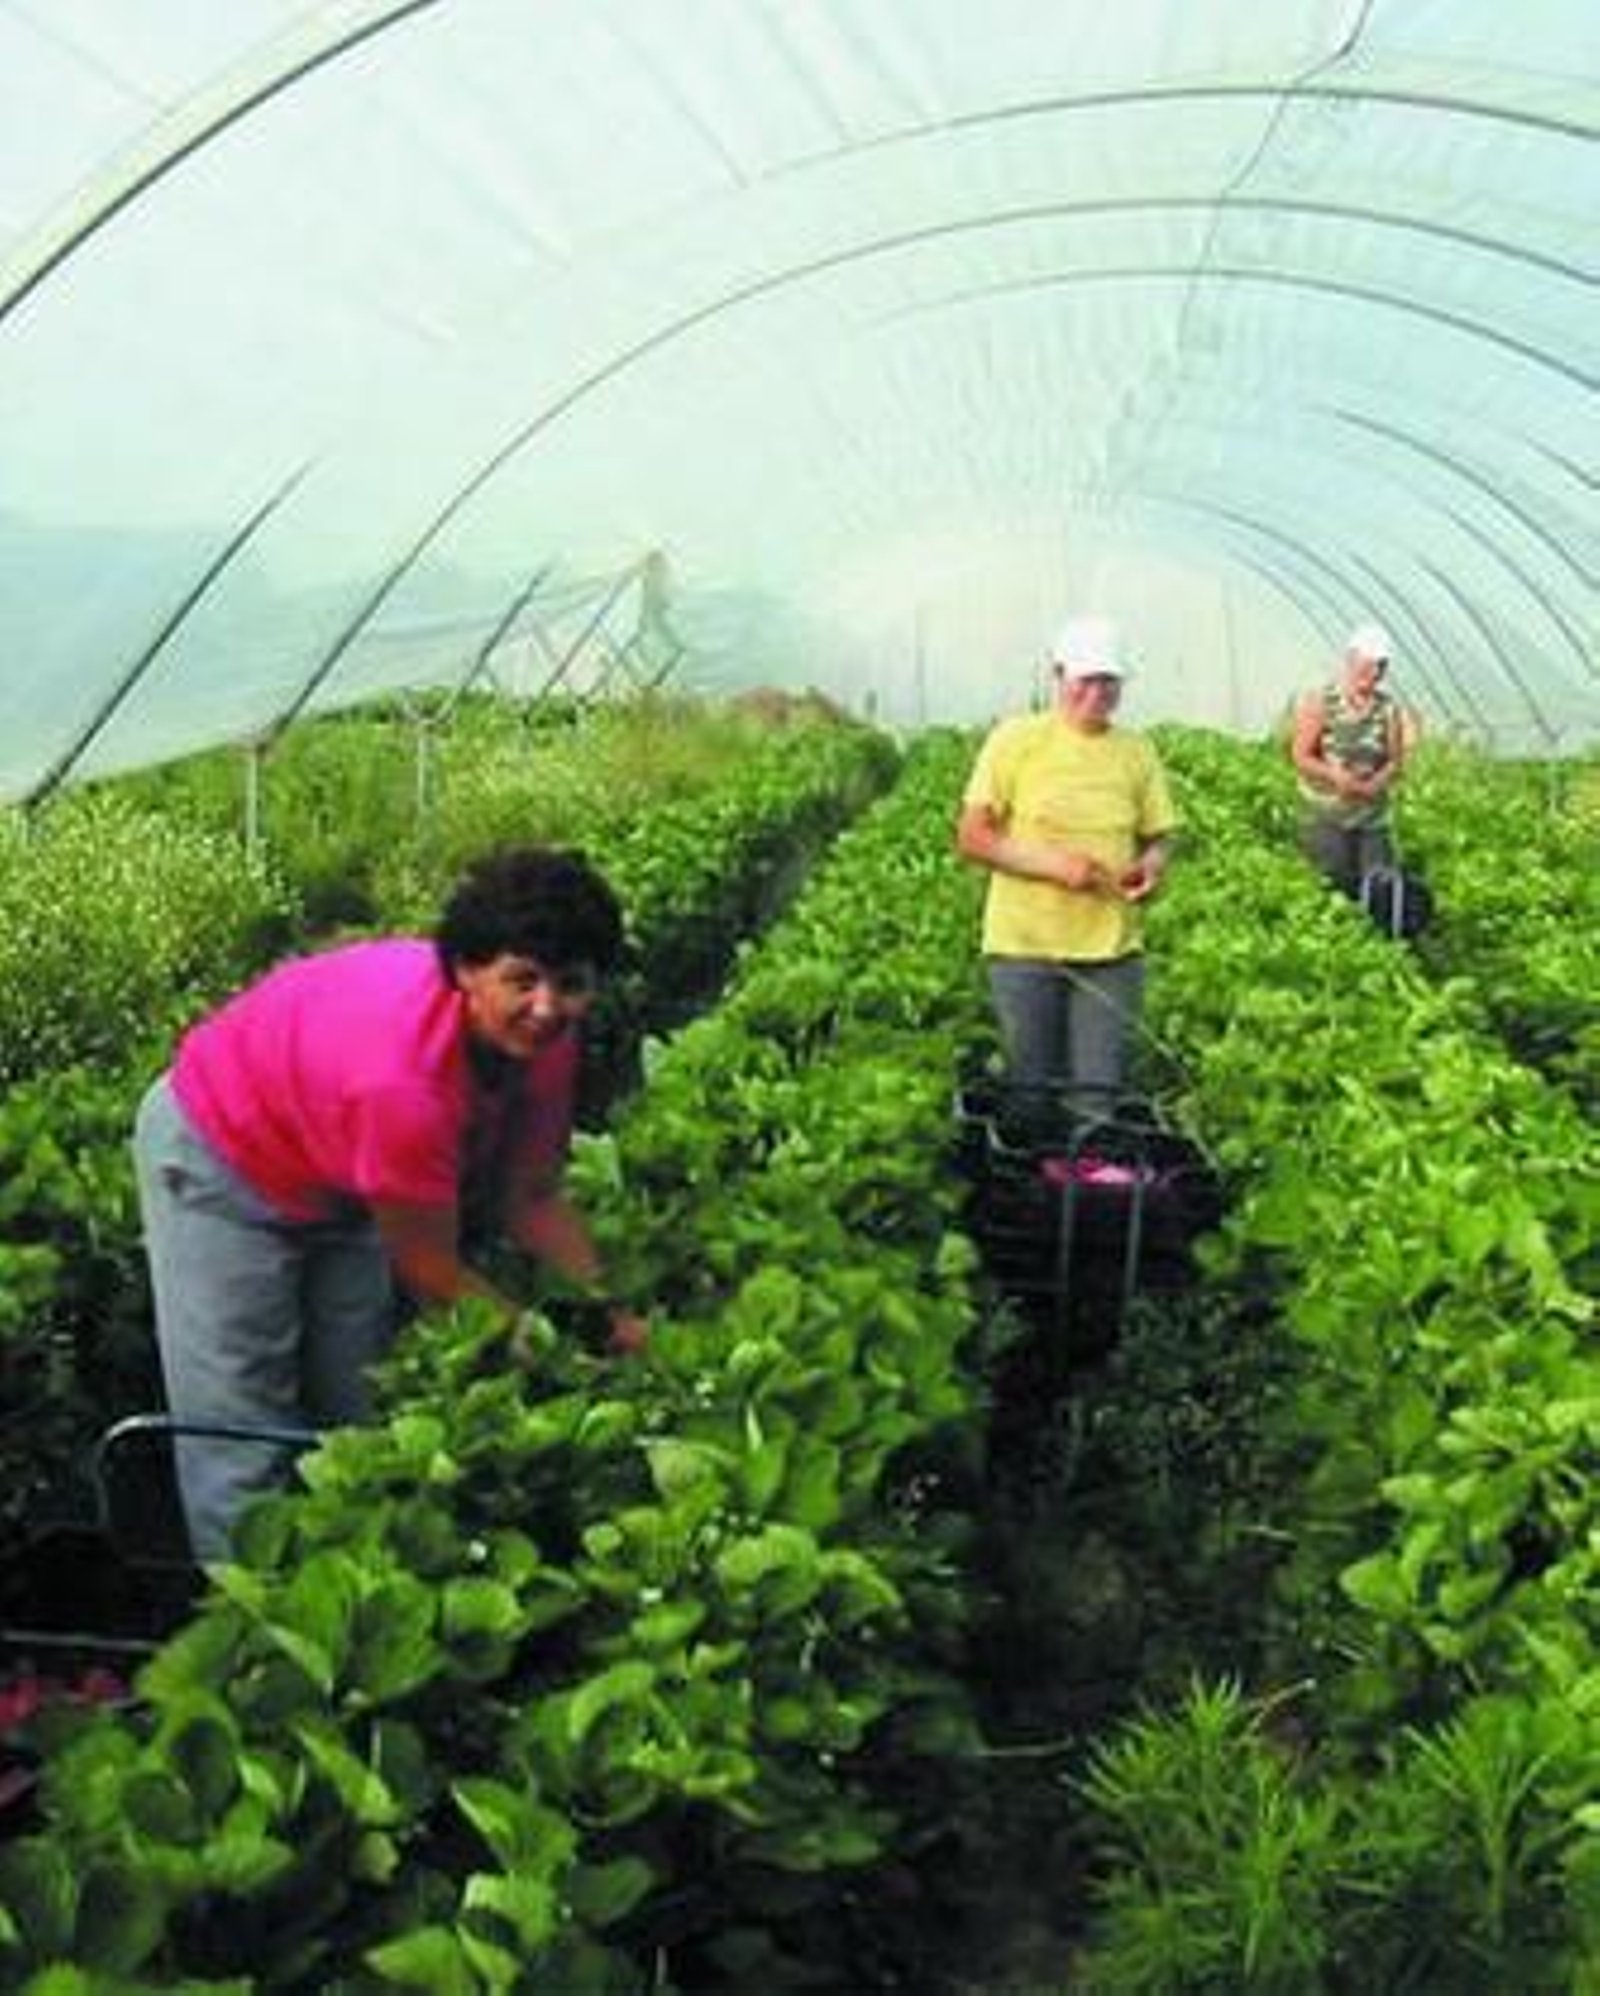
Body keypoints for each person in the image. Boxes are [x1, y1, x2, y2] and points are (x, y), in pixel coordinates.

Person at [132, 844, 645, 1562]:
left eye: (572, 984)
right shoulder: (402, 1081)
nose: (546, 1006)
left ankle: (354, 1591)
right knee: (242, 1421)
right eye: (520, 981)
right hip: (224, 1160)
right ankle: (253, 1637)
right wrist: (531, 1338)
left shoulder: (546, 1039)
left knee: (355, 1401)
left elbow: (530, 1196)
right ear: (467, 971)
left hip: (343, 1176)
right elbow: (431, 1267)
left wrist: (610, 1306)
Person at [956, 616, 1178, 1115]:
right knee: (1028, 1092)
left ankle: (1085, 1185)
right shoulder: (1015, 740)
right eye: (1087, 680)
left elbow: (1159, 836)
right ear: (1059, 676)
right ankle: (1034, 1186)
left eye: (1109, 681)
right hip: (1024, 946)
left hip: (1111, 951)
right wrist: (1057, 866)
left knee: (1099, 1096)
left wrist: (1152, 865)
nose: (1097, 692)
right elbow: (973, 836)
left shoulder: (1136, 751)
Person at [1292, 623, 1408, 893]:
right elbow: (1300, 755)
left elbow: (1395, 760)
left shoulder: (1387, 709)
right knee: (1333, 883)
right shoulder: (1323, 701)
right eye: (1369, 664)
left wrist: (1376, 784)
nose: (1375, 673)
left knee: (1379, 887)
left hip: (1371, 818)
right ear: (1351, 660)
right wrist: (1334, 776)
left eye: (1382, 666)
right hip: (1325, 814)